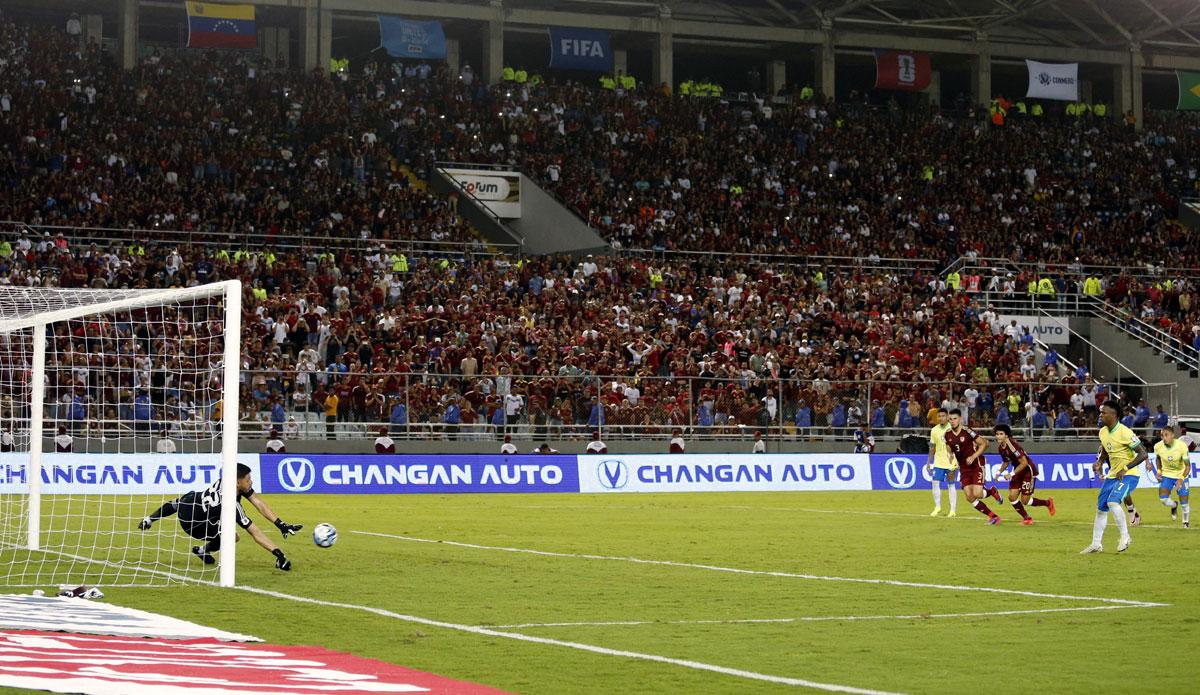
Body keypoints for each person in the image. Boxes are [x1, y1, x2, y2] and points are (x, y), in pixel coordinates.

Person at [138, 464, 301, 570]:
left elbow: (258, 502)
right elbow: (255, 532)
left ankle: (151, 520)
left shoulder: (228, 481)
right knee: (232, 535)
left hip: (190, 503)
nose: (251, 482)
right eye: (248, 480)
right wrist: (279, 554)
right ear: (238, 483)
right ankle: (204, 549)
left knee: (180, 501)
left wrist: (281, 524)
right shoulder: (230, 503)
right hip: (193, 525)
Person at [1081, 402, 1149, 554]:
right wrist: (1099, 461)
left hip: (1129, 475)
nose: (1101, 415)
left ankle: (1125, 537)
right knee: (1101, 509)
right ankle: (1096, 544)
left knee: (1113, 501)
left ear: (1113, 415)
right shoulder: (1103, 432)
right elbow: (1106, 449)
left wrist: (1125, 468)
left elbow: (1143, 454)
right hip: (1113, 475)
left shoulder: (1125, 432)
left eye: (1104, 412)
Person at [944, 409, 1003, 524]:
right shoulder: (947, 434)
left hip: (977, 464)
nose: (952, 421)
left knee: (977, 494)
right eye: (950, 419)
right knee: (969, 497)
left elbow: (984, 443)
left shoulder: (967, 431)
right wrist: (949, 454)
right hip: (964, 467)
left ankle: (992, 491)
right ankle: (993, 516)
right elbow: (949, 446)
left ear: (960, 419)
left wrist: (973, 456)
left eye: (955, 418)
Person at [993, 424, 1056, 525]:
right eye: (997, 434)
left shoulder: (1013, 446)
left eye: (1001, 434)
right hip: (1017, 470)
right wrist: (998, 473)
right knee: (1012, 496)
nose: (998, 436)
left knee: (1025, 500)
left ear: (1006, 435)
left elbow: (1024, 462)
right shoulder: (1001, 448)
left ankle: (1048, 503)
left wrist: (1011, 474)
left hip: (1027, 470)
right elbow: (1006, 462)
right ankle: (1027, 518)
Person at [1151, 426, 1190, 528]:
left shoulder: (1182, 446)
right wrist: (1159, 470)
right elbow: (1158, 459)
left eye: (1166, 435)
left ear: (1173, 435)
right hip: (1167, 475)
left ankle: (1185, 522)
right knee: (1163, 500)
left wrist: (1181, 479)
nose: (1164, 438)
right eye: (1162, 435)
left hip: (1181, 475)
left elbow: (1188, 466)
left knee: (1184, 503)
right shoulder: (1158, 446)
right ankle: (1174, 505)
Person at [924, 408, 957, 517]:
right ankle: (937, 507)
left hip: (952, 461)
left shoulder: (953, 428)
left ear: (947, 417)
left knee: (951, 484)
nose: (941, 418)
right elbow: (932, 447)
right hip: (938, 462)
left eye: (943, 416)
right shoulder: (934, 430)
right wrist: (929, 462)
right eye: (939, 416)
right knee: (935, 483)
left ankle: (952, 510)